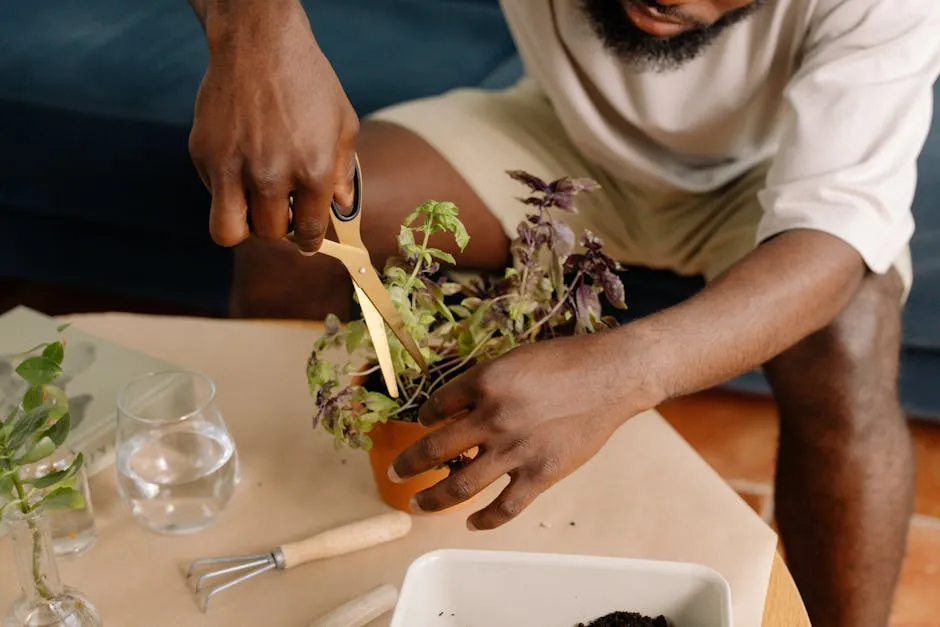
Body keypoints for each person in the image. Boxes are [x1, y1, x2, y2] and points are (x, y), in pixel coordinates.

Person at [185, 1, 940, 625]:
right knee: (295, 229)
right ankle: (289, 529)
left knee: (847, 341)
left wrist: (624, 371)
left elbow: (832, 241)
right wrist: (254, 36)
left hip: (772, 176)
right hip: (561, 141)